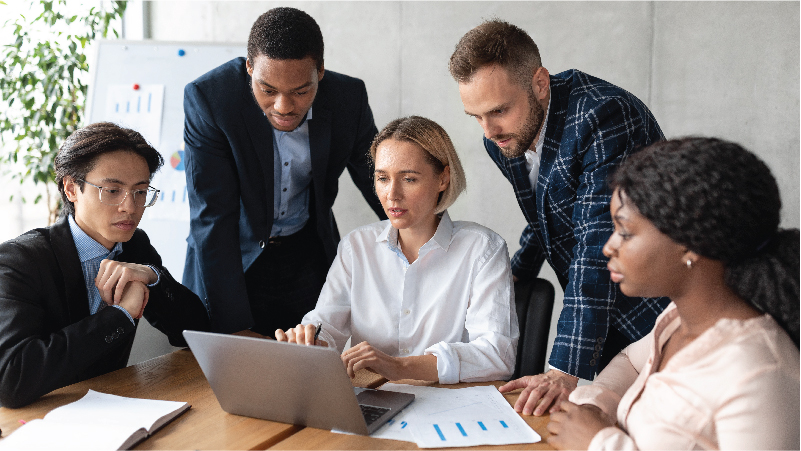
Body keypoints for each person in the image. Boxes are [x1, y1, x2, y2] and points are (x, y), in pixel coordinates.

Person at [449, 19, 670, 413]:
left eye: (499, 110)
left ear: (539, 83)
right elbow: (549, 211)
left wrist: (561, 370)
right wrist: (518, 271)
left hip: (654, 310)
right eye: (476, 116)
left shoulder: (604, 117)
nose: (489, 131)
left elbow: (596, 243)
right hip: (599, 318)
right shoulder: (504, 137)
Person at [545, 137, 800, 450]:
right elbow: (631, 362)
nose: (608, 246)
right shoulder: (676, 319)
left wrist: (599, 443)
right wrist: (596, 405)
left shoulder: (759, 374)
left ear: (688, 243)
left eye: (624, 232)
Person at [182, 7, 385, 335]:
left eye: (301, 91)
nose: (284, 106)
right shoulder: (210, 101)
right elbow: (212, 218)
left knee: (307, 368)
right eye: (268, 90)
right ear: (249, 68)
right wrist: (234, 327)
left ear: (320, 71)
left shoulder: (348, 99)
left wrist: (429, 243)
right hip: (233, 260)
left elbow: (379, 181)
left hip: (306, 256)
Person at [275, 116, 519, 384]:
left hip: (447, 406)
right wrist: (310, 342)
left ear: (443, 178)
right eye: (382, 178)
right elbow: (327, 326)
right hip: (371, 399)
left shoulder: (482, 249)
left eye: (409, 179)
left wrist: (400, 367)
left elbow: (497, 356)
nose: (392, 194)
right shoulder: (356, 246)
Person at [0, 122, 211, 408]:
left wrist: (152, 276)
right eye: (112, 191)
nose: (130, 207)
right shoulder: (20, 261)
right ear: (72, 188)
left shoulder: (135, 246)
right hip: (36, 420)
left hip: (109, 410)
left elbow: (196, 330)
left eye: (140, 192)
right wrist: (122, 314)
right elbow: (12, 380)